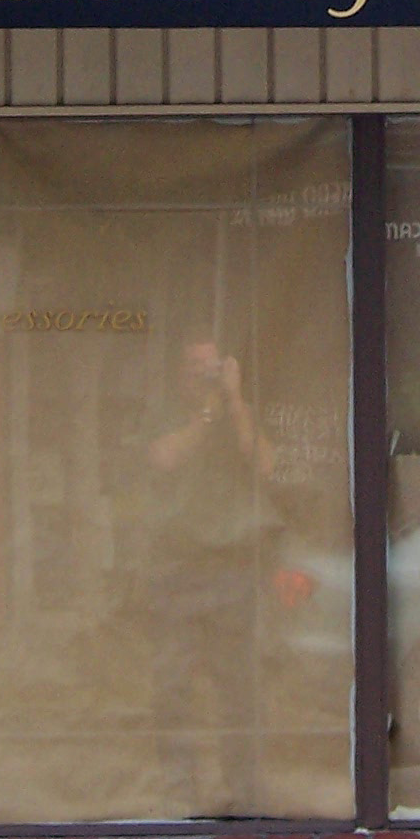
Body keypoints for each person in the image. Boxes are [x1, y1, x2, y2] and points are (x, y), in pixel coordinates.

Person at [144, 338, 273, 811]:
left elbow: (264, 465)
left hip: (231, 571)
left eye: (213, 365)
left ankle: (243, 792)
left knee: (237, 688)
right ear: (180, 373)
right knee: (173, 687)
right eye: (196, 365)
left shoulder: (238, 414)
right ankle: (181, 791)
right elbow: (163, 458)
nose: (205, 374)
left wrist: (234, 403)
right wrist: (205, 414)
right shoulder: (164, 413)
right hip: (175, 570)